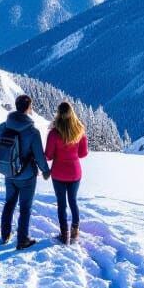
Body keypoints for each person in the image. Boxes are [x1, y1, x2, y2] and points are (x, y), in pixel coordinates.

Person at [0, 94, 50, 250]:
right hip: (27, 177)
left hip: (9, 173)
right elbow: (39, 155)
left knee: (9, 203)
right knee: (25, 207)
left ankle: (5, 235)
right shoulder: (32, 132)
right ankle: (22, 239)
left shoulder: (3, 126)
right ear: (28, 108)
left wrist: (8, 165)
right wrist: (45, 171)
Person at [44, 101, 88, 244]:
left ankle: (64, 234)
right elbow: (83, 153)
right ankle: (75, 230)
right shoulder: (79, 130)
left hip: (58, 173)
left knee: (61, 204)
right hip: (75, 172)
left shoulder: (54, 133)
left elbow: (48, 156)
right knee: (73, 201)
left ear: (58, 114)